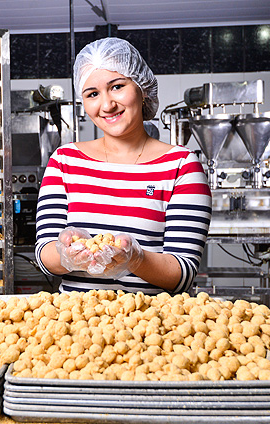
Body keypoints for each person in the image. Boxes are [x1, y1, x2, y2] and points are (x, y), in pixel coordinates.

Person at [34, 37, 212, 295]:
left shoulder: (181, 166)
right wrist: (65, 255)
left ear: (142, 88)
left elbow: (182, 274)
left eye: (117, 87)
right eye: (92, 94)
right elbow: (43, 254)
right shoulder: (64, 161)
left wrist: (136, 258)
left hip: (150, 327)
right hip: (74, 325)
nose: (106, 105)